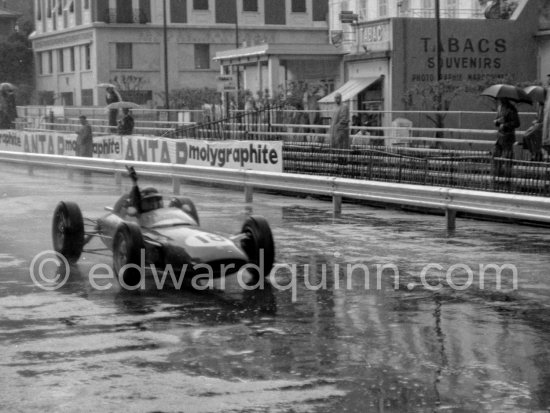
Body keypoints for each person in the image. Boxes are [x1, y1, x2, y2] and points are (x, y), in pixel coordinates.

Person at [493, 97, 520, 177]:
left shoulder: (512, 109)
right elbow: (497, 120)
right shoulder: (499, 107)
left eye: (501, 99)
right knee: (496, 154)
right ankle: (497, 173)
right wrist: (497, 122)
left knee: (508, 156)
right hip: (499, 136)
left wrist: (505, 125)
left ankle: (508, 174)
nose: (500, 100)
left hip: (508, 136)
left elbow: (516, 123)